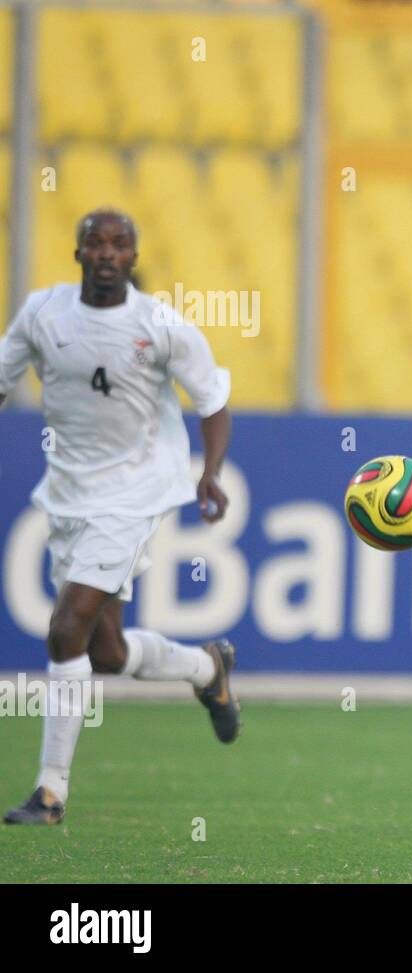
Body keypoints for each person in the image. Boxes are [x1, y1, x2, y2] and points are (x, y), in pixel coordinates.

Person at [0, 208, 240, 826]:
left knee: (64, 629)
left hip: (135, 495)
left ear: (133, 258)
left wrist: (209, 472)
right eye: (95, 243)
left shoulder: (161, 326)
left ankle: (50, 793)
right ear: (77, 252)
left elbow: (212, 402)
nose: (107, 253)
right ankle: (207, 668)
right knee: (104, 653)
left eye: (119, 244)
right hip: (67, 494)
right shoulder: (42, 315)